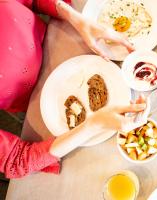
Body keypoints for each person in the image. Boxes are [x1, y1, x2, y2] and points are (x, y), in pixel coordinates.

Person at [0, 0, 139, 178]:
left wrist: (76, 18)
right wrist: (93, 124)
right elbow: (16, 160)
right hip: (36, 105)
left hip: (58, 36)